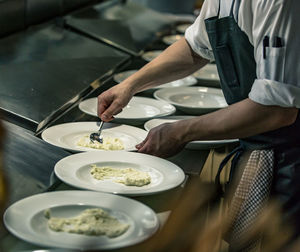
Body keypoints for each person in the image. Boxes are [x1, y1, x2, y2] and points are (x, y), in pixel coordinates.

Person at [98, 0, 300, 249]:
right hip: (260, 145)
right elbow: (195, 48)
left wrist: (181, 132)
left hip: (291, 159)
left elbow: (277, 109)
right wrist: (130, 85)